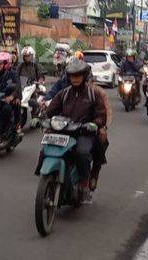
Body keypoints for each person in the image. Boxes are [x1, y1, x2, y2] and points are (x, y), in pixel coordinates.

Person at [46, 59, 111, 203]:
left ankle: (84, 183)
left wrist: (95, 124)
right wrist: (42, 117)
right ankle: (46, 175)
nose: (75, 79)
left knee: (82, 153)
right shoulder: (64, 93)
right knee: (46, 148)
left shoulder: (93, 93)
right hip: (64, 130)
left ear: (84, 76)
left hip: (84, 131)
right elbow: (50, 111)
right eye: (72, 76)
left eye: (78, 76)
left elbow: (101, 115)